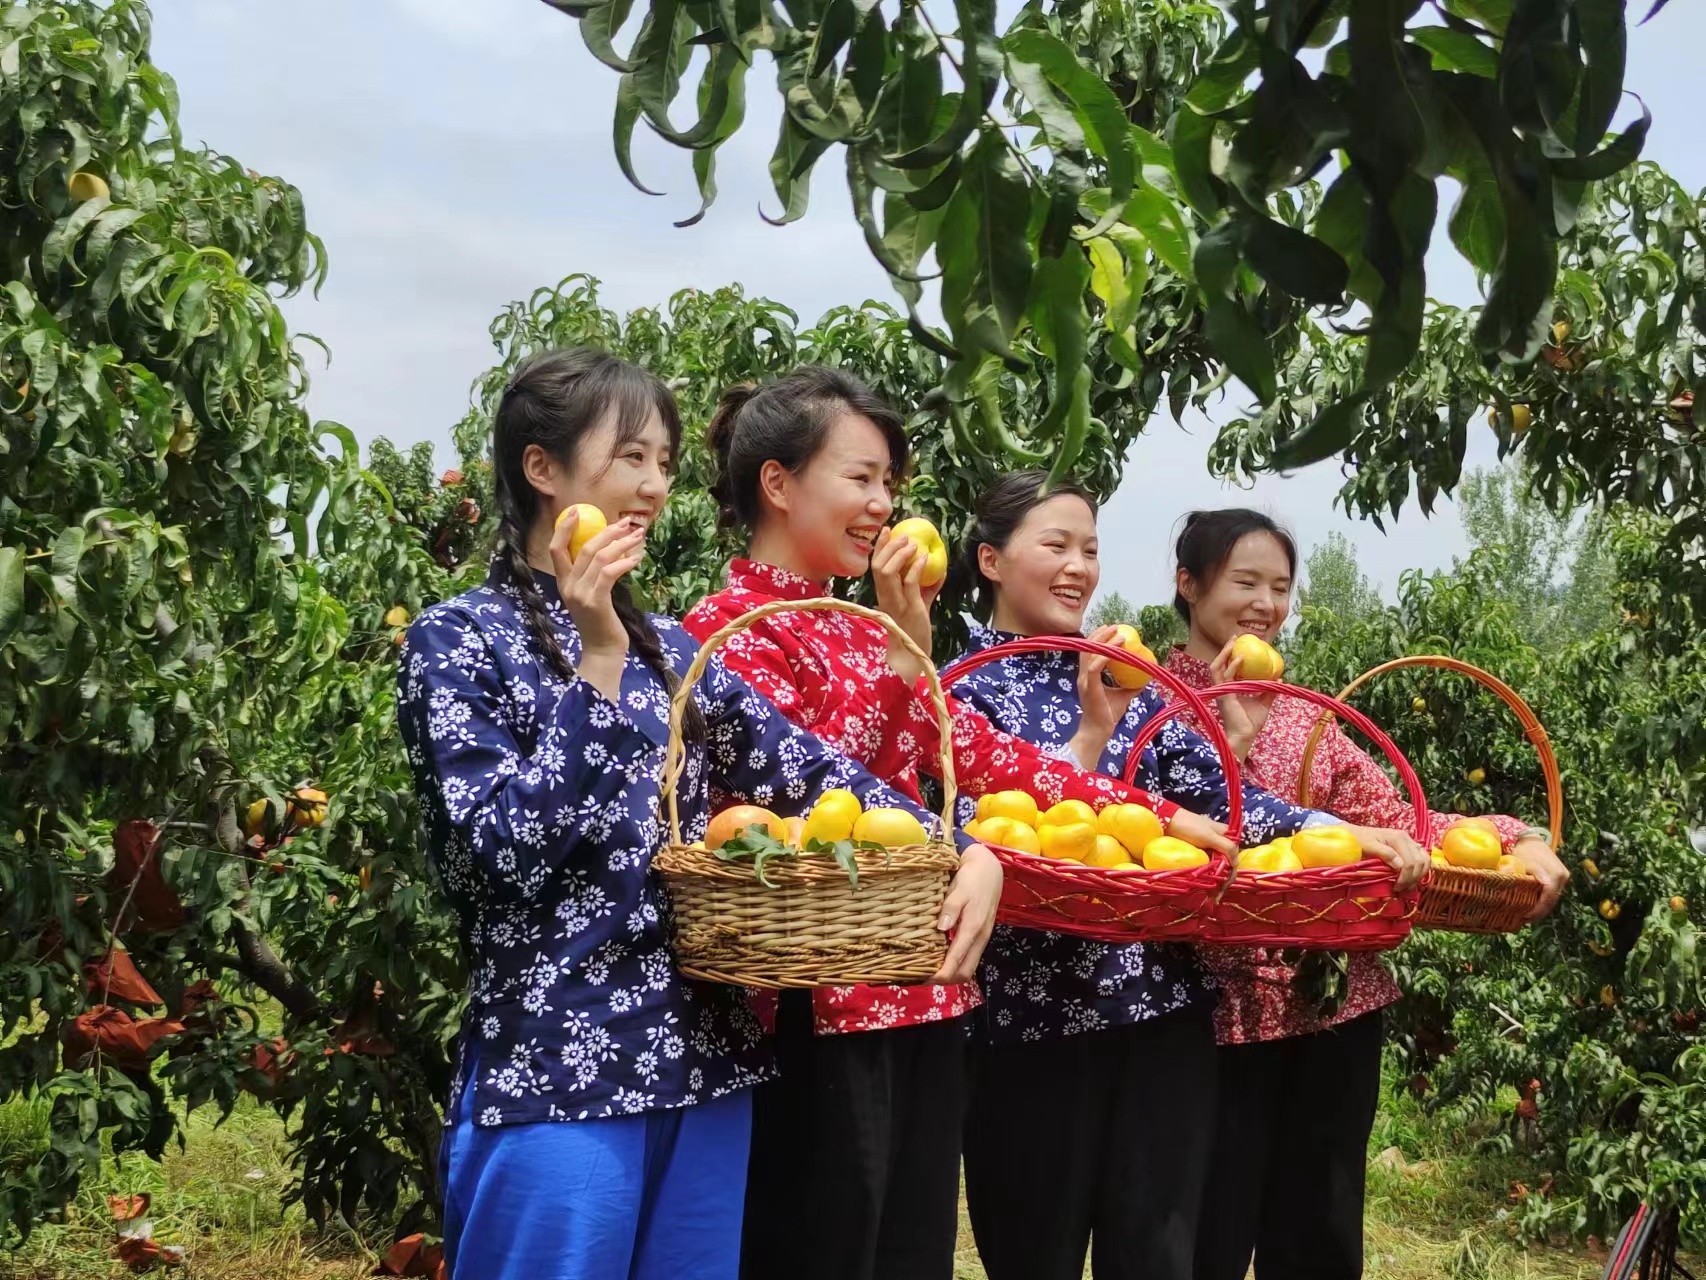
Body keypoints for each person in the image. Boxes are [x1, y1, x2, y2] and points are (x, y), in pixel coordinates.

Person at [395, 348, 990, 1280]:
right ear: (542, 468)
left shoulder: (672, 650)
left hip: (705, 1070)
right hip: (559, 1075)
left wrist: (964, 849)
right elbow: (493, 860)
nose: (653, 486)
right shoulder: (460, 639)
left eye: (665, 463)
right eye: (630, 457)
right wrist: (595, 665)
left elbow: (808, 775)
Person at [683, 370, 1232, 1280]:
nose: (883, 505)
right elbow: (823, 799)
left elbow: (984, 757)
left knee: (913, 1255)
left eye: (888, 483)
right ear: (778, 483)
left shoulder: (867, 627)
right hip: (819, 1008)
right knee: (823, 1251)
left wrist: (1156, 813)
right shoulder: (733, 628)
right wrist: (910, 675)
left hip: (928, 992)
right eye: (861, 478)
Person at [946, 471, 1427, 1280]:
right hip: (1032, 1023)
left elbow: (1223, 803)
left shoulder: (1128, 681)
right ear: (991, 561)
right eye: (1055, 545)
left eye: (1090, 549)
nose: (1078, 567)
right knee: (1034, 1254)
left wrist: (1339, 833)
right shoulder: (960, 691)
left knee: (1160, 1258)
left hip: (1163, 1015)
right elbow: (986, 831)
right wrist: (1091, 743)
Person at [1162, 508, 1571, 1280]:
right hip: (1209, 1017)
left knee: (1319, 1238)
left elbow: (1397, 823)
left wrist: (1512, 834)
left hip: (1334, 1010)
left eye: (1280, 587)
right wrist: (1233, 746)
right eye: (1245, 582)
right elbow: (1141, 830)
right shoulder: (1152, 705)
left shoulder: (1306, 715)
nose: (1265, 605)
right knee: (1203, 1239)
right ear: (1189, 584)